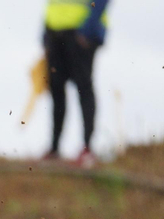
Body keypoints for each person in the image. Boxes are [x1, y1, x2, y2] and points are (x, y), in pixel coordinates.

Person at [43, 0, 109, 167]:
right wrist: (45, 33)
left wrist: (88, 30)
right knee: (56, 90)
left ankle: (87, 149)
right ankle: (54, 149)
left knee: (84, 88)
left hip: (81, 34)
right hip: (55, 33)